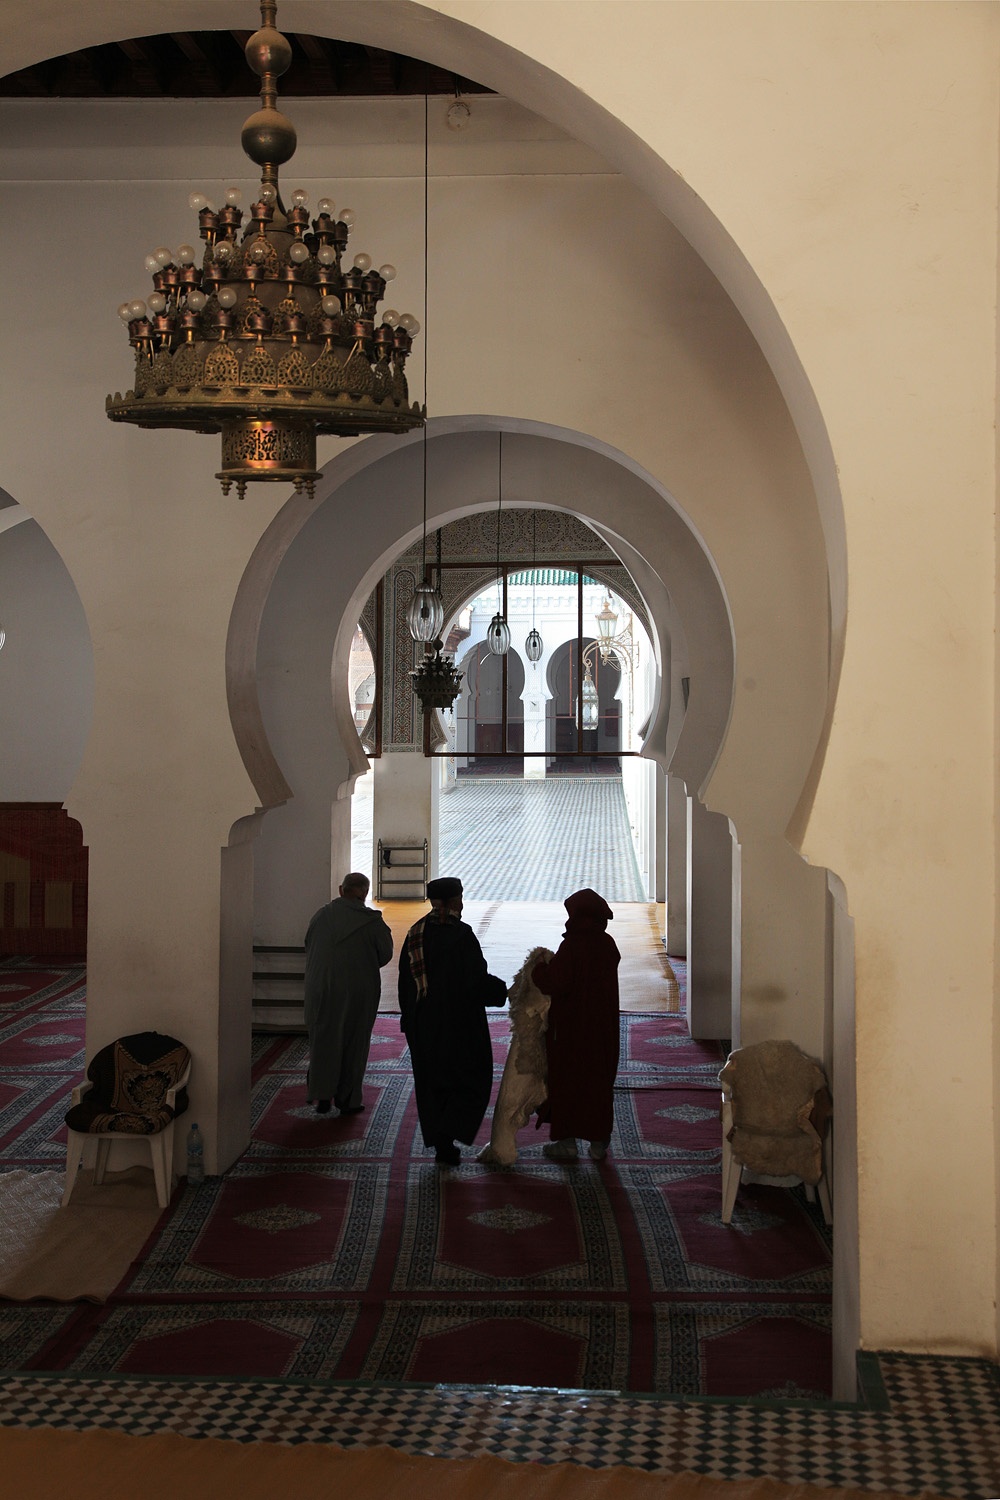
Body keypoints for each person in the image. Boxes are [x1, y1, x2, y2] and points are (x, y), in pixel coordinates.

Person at [398, 876, 507, 1165]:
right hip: (460, 1026)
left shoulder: (415, 933)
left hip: (426, 1025)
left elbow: (405, 984)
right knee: (469, 1077)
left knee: (433, 1082)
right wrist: (503, 991)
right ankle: (451, 1132)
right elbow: (474, 982)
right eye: (460, 897)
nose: (463, 902)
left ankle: (442, 1144)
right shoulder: (461, 935)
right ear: (452, 901)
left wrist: (410, 1023)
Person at [532, 887, 621, 1162]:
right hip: (602, 1030)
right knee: (598, 1082)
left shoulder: (572, 946)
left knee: (568, 1081)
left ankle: (567, 1142)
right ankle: (598, 1144)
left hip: (570, 1032)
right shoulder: (607, 944)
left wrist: (538, 968)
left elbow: (555, 982)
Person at [303, 872, 393, 1116]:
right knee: (354, 1042)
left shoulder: (321, 916)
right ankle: (349, 1100)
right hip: (358, 991)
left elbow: (308, 944)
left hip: (320, 988)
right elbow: (385, 955)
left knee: (323, 1040)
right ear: (364, 894)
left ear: (341, 890)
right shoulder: (373, 922)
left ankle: (322, 1095)